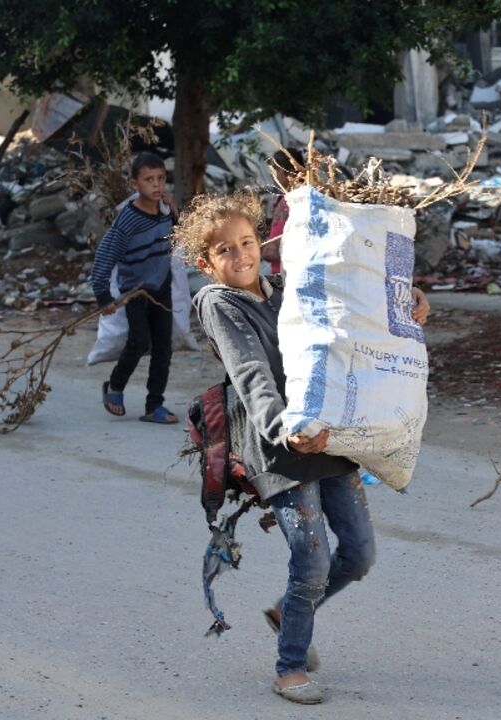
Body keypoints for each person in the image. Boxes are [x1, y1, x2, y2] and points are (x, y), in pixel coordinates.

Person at [176, 191, 427, 705]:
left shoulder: (284, 288)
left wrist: (408, 299)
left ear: (262, 242)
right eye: (225, 250)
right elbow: (250, 372)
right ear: (205, 263)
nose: (241, 255)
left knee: (358, 554)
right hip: (282, 446)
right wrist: (281, 426)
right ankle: (290, 666)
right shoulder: (219, 303)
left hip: (328, 435)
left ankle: (289, 612)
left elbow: (347, 301)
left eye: (247, 241)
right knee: (310, 561)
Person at [91, 152, 178, 424]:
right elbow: (105, 255)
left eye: (161, 179)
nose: (156, 185)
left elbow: (182, 235)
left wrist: (175, 210)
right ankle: (115, 386)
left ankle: (154, 405)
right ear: (135, 185)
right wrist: (102, 295)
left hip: (161, 287)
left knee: (164, 347)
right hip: (135, 290)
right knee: (139, 341)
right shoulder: (128, 219)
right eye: (149, 180)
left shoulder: (165, 212)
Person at [262, 148, 305, 275]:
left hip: (295, 274)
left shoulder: (302, 199)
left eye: (276, 169)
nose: (272, 174)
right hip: (279, 272)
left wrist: (276, 249)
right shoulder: (283, 198)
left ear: (290, 173)